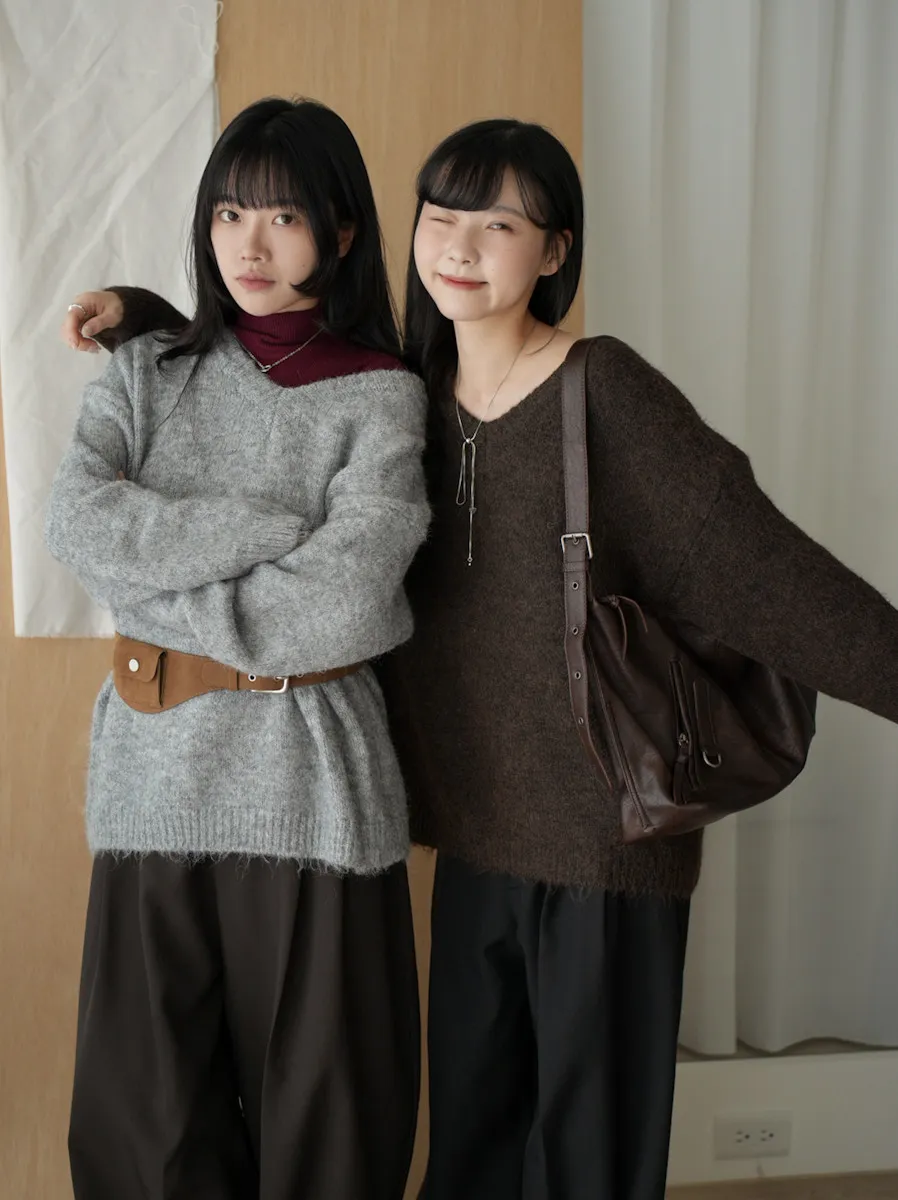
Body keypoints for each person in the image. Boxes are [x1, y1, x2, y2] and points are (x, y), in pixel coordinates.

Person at [62, 118, 898, 1200]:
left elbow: (766, 570)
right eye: (443, 218)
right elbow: (254, 352)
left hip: (604, 836)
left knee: (584, 1166)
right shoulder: (420, 383)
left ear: (553, 251)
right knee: (467, 1156)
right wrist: (150, 319)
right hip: (470, 837)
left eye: (497, 225)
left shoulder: (598, 391)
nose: (459, 246)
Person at [47, 96, 429, 1200]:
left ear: (340, 232)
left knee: (326, 1121)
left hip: (313, 783)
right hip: (150, 778)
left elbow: (346, 604)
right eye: (227, 215)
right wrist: (263, 531)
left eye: (282, 218)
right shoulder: (145, 369)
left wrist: (159, 583)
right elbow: (78, 527)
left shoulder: (383, 394)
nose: (248, 247)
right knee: (149, 1124)